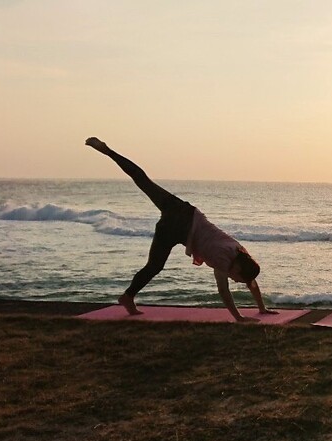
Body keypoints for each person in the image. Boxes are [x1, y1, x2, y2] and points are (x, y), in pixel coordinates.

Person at [85, 137, 276, 322]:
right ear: (238, 268)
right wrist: (239, 318)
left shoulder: (240, 253)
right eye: (237, 279)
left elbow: (250, 281)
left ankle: (107, 151)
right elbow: (223, 290)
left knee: (143, 182)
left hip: (182, 212)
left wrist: (261, 308)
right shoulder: (222, 259)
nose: (235, 281)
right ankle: (127, 297)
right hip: (178, 225)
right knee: (154, 264)